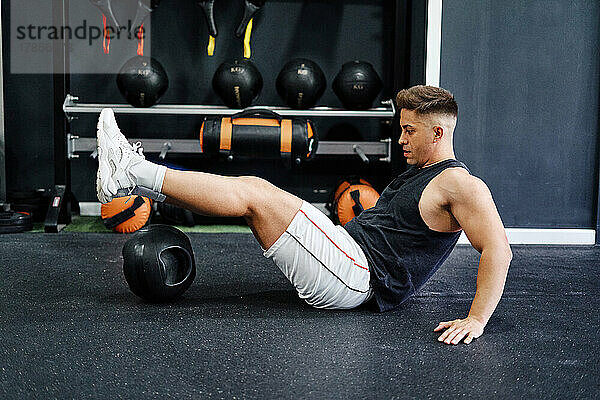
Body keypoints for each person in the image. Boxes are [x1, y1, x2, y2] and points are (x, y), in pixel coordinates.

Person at [95, 85, 512, 345]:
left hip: (356, 275)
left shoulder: (461, 185)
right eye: (400, 128)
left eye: (410, 131)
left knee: (255, 194)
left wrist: (476, 319)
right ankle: (129, 178)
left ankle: (129, 169)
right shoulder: (423, 173)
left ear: (438, 133)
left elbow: (498, 248)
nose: (400, 138)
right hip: (345, 253)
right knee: (254, 191)